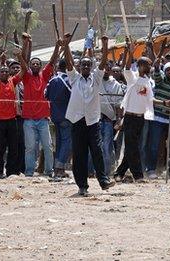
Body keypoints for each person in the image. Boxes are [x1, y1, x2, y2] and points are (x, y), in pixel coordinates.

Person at [64, 36, 116, 195]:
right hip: (77, 121)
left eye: (88, 64)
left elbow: (102, 63)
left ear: (91, 66)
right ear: (79, 67)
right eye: (83, 64)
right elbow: (69, 62)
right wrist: (66, 45)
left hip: (93, 122)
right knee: (79, 155)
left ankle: (103, 181)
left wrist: (105, 45)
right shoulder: (74, 78)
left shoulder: (97, 78)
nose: (86, 66)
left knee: (97, 151)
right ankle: (82, 186)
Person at [113, 39, 161, 183]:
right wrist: (130, 52)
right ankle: (138, 175)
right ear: (140, 66)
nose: (149, 66)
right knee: (133, 147)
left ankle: (119, 173)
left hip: (141, 118)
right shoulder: (132, 78)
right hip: (129, 117)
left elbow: (151, 100)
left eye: (149, 64)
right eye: (147, 64)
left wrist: (165, 103)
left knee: (132, 147)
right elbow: (126, 69)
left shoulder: (148, 82)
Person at [17, 35, 60, 177]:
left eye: (37, 64)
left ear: (40, 66)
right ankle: (29, 172)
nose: (35, 65)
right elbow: (22, 61)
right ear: (30, 66)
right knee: (30, 148)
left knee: (47, 146)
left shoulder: (45, 75)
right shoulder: (27, 76)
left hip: (43, 119)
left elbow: (53, 60)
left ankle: (49, 171)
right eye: (33, 64)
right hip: (28, 119)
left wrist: (58, 45)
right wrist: (25, 44)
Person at [0, 47, 24, 177]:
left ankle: (11, 171)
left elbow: (23, 70)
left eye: (6, 71)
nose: (4, 73)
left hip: (12, 120)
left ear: (9, 73)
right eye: (1, 71)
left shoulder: (13, 81)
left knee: (13, 148)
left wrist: (20, 57)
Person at [45, 58, 72, 178]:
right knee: (67, 142)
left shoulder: (52, 80)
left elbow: (46, 95)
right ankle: (59, 167)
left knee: (60, 142)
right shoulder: (68, 80)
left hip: (55, 115)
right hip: (66, 115)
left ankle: (57, 169)